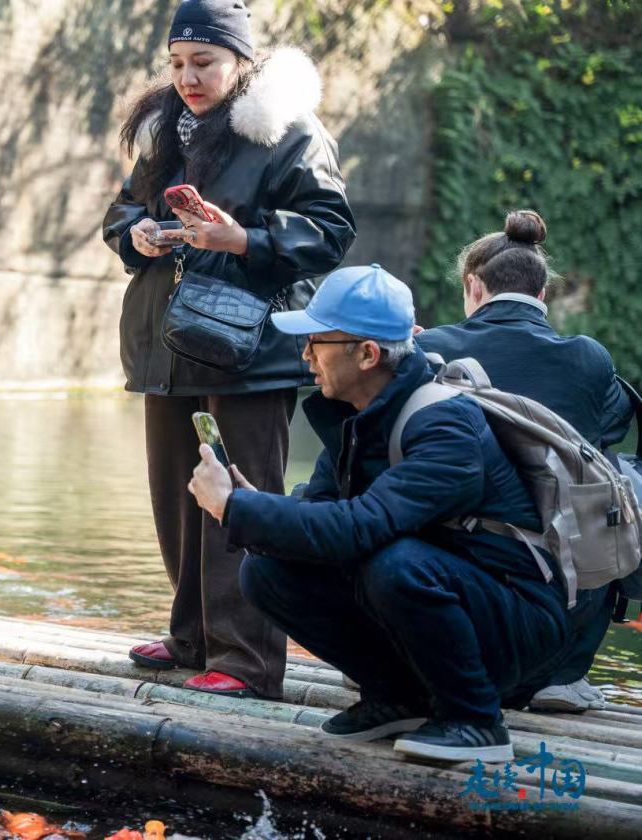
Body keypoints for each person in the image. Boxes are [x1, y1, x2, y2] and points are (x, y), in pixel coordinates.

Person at [189, 264, 568, 762]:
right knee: (266, 569)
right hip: (446, 597)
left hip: (517, 623)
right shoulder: (356, 420)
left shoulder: (445, 426)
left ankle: (475, 722)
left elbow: (359, 529)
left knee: (396, 564)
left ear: (367, 354)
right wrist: (247, 505)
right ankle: (399, 699)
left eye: (316, 342)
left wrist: (236, 506)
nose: (305, 355)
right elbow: (320, 519)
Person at [101, 0, 355, 698]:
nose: (188, 76)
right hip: (166, 343)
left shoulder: (288, 131)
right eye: (178, 62)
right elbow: (121, 211)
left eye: (204, 62)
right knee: (176, 498)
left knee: (241, 499)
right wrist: (140, 235)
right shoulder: (165, 133)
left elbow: (330, 231)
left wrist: (238, 237)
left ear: (242, 63)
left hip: (249, 351)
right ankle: (192, 638)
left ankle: (246, 660)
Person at [416, 210, 632, 712]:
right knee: (616, 483)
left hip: (450, 570)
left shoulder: (432, 348)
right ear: (542, 296)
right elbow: (610, 430)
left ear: (473, 285)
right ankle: (566, 672)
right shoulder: (588, 357)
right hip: (558, 585)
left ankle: (399, 655)